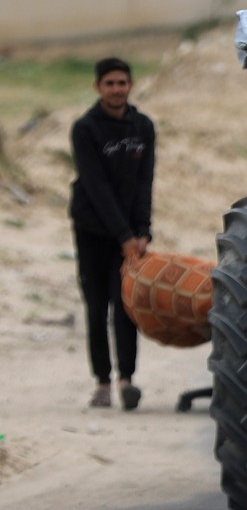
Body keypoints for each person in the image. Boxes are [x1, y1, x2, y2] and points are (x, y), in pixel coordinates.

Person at [70, 57, 154, 410]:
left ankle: (126, 381)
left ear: (130, 85)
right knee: (97, 306)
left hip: (130, 234)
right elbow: (96, 186)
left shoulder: (143, 127)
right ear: (98, 88)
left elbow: (144, 181)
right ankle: (102, 383)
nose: (117, 89)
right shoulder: (85, 129)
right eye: (110, 84)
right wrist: (124, 235)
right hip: (93, 229)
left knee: (127, 307)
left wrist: (143, 231)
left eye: (122, 83)